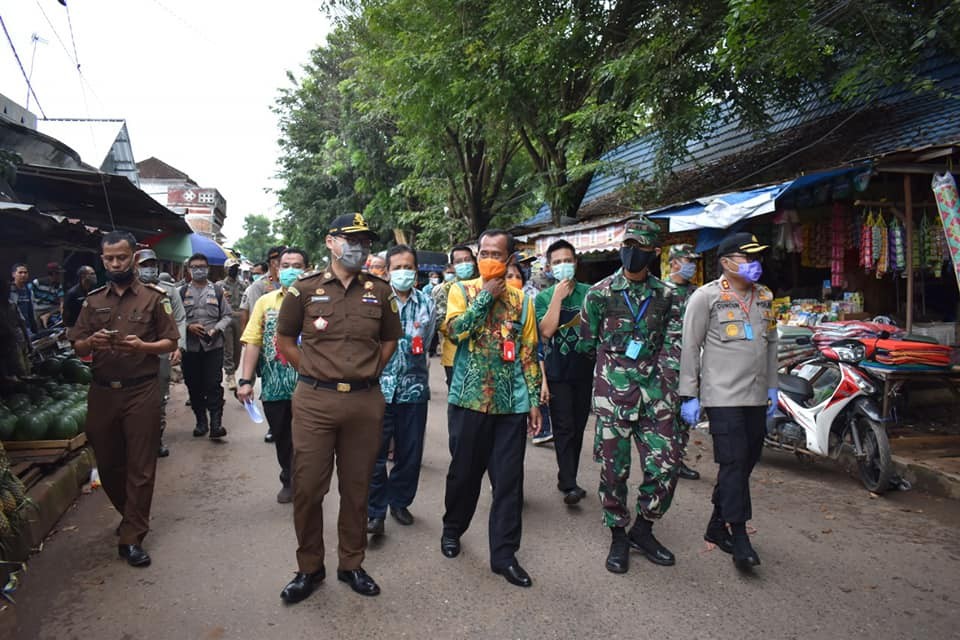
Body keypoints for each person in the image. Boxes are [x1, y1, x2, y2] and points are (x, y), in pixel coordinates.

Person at [275, 213, 401, 604]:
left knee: (357, 487)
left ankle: (352, 564)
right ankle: (309, 568)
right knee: (308, 487)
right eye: (351, 239)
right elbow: (284, 340)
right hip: (315, 401)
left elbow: (389, 342)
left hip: (365, 401)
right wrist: (314, 372)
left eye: (364, 241)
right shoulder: (304, 290)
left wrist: (367, 374)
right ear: (330, 242)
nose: (359, 247)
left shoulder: (380, 291)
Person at [66, 231, 180, 567]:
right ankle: (129, 514)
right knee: (109, 461)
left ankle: (132, 536)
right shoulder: (93, 300)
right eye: (109, 258)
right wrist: (92, 342)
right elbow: (77, 344)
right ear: (102, 260)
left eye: (122, 257)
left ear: (133, 256)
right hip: (102, 390)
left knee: (141, 465)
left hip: (141, 389)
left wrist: (143, 347)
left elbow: (170, 342)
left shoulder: (153, 298)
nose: (116, 263)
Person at [577, 216, 683, 574]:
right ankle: (618, 533)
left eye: (639, 247)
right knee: (613, 471)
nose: (631, 252)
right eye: (627, 244)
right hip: (613, 397)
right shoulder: (599, 293)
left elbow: (673, 344)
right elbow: (587, 343)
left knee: (666, 466)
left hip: (656, 397)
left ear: (654, 252)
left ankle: (644, 528)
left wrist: (664, 383)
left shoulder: (668, 295)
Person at [440, 229, 542, 589]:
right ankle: (453, 529)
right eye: (483, 252)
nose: (487, 258)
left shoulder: (523, 302)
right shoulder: (461, 290)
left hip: (510, 405)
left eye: (496, 253)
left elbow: (529, 353)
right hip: (469, 400)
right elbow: (455, 332)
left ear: (511, 259)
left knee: (509, 482)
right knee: (463, 474)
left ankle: (504, 555)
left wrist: (532, 401)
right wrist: (484, 297)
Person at [679, 232, 777, 571]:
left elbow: (772, 344)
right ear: (726, 262)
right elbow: (690, 348)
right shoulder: (705, 297)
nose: (754, 264)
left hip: (755, 395)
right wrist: (689, 394)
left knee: (746, 462)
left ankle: (716, 523)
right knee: (734, 463)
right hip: (722, 396)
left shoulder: (765, 296)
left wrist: (773, 388)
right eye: (747, 258)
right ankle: (739, 537)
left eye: (756, 257)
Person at [367, 244, 436, 536]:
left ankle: (400, 502)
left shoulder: (427, 303)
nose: (403, 273)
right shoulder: (375, 301)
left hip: (414, 390)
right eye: (397, 268)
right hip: (378, 390)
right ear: (387, 271)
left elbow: (428, 340)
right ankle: (375, 511)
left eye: (408, 267)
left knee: (410, 453)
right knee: (373, 454)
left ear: (416, 270)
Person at [237, 248, 308, 504]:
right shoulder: (265, 303)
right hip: (274, 386)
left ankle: (302, 481)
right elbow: (253, 342)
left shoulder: (316, 302)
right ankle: (288, 475)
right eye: (286, 265)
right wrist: (245, 381)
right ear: (277, 270)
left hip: (310, 386)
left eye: (297, 265)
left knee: (306, 438)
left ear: (306, 269)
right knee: (281, 436)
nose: (291, 270)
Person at [536, 240, 595, 505]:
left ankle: (566, 476)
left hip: (584, 370)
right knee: (564, 427)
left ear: (576, 262)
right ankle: (570, 484)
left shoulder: (590, 293)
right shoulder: (543, 297)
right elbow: (546, 332)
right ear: (549, 268)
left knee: (579, 426)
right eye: (557, 262)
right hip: (557, 371)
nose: (563, 266)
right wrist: (558, 298)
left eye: (567, 260)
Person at [136, 250, 186, 458]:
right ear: (136, 267)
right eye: (145, 264)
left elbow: (180, 318)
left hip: (161, 352)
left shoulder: (168, 290)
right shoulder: (128, 291)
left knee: (160, 397)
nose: (150, 268)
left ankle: (157, 440)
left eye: (153, 264)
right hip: (134, 355)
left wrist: (178, 346)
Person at [180, 253, 233, 440]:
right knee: (193, 385)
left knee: (213, 384)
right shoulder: (181, 292)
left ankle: (216, 424)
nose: (198, 270)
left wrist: (216, 329)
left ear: (208, 268)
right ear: (189, 270)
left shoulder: (217, 291)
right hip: (191, 348)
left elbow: (227, 315)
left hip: (213, 346)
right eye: (194, 267)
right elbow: (175, 319)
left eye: (202, 266)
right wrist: (188, 327)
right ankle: (200, 421)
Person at [663, 244, 704, 481]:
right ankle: (664, 461)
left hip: (690, 364)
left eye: (694, 261)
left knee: (683, 416)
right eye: (689, 260)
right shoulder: (660, 291)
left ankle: (677, 461)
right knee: (665, 416)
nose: (693, 266)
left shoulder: (697, 293)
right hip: (665, 365)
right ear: (675, 262)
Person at [506, 260, 552, 447]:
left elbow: (533, 348)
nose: (514, 280)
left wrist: (542, 381)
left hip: (521, 371)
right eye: (509, 276)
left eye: (518, 276)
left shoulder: (527, 304)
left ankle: (540, 428)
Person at [241, 248, 284, 443]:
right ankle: (274, 427)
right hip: (269, 350)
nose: (279, 264)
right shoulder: (258, 288)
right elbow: (252, 322)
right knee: (271, 387)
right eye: (276, 261)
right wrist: (245, 380)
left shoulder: (307, 289)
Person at [433, 245, 478, 391]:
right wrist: (467, 327)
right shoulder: (445, 290)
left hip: (482, 355)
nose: (464, 264)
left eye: (467, 260)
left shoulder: (484, 286)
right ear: (452, 266)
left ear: (474, 261)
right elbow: (440, 321)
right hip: (454, 356)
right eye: (459, 261)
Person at [217, 259, 246, 390]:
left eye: (236, 267)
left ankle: (234, 369)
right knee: (228, 347)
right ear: (226, 269)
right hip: (227, 317)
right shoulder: (219, 286)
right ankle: (230, 374)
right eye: (231, 268)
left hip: (239, 318)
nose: (234, 270)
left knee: (238, 349)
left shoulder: (243, 285)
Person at [0, 277, 31, 378]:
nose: (7, 292)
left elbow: (22, 323)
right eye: (5, 290)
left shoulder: (12, 305)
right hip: (5, 343)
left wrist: (28, 341)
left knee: (25, 368)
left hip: (18, 340)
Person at [10, 264, 39, 337]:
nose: (23, 275)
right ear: (13, 274)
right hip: (14, 329)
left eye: (25, 272)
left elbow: (31, 311)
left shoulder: (28, 291)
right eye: (20, 272)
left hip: (27, 328)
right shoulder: (8, 291)